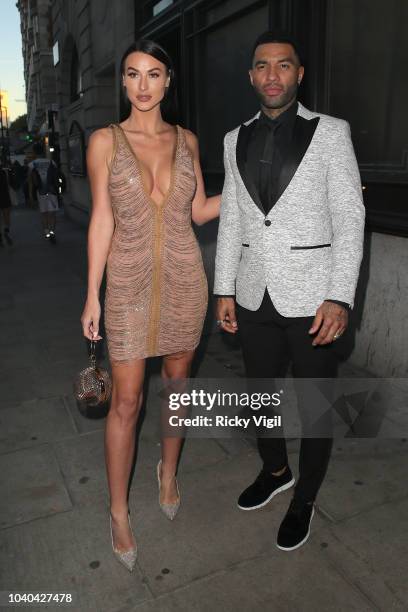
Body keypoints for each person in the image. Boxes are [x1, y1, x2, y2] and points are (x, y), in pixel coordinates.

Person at [214, 31, 365, 551]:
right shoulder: (234, 139)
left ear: (299, 74)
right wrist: (223, 288)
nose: (272, 75)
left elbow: (350, 217)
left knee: (315, 404)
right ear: (251, 75)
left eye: (283, 66)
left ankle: (305, 499)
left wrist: (340, 296)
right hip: (255, 293)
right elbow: (233, 219)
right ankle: (276, 471)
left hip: (314, 297)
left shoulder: (331, 133)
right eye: (262, 66)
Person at [80, 39, 220, 571]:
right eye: (133, 74)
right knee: (126, 402)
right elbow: (101, 219)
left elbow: (201, 209)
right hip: (129, 287)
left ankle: (168, 471)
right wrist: (92, 292)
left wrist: (260, 189)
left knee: (178, 388)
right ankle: (118, 513)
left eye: (153, 74)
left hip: (185, 281)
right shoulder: (104, 142)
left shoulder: (187, 140)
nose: (142, 85)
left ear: (168, 81)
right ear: (123, 83)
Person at [28, 143, 59, 243]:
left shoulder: (32, 165)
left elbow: (30, 181)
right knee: (52, 214)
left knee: (44, 213)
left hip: (40, 192)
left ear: (34, 153)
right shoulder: (51, 162)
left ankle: (47, 232)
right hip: (52, 191)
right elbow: (56, 177)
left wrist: (30, 195)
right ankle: (52, 232)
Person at [0, 162, 13, 246]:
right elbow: (8, 185)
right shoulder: (4, 172)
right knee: (6, 215)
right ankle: (6, 230)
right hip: (4, 195)